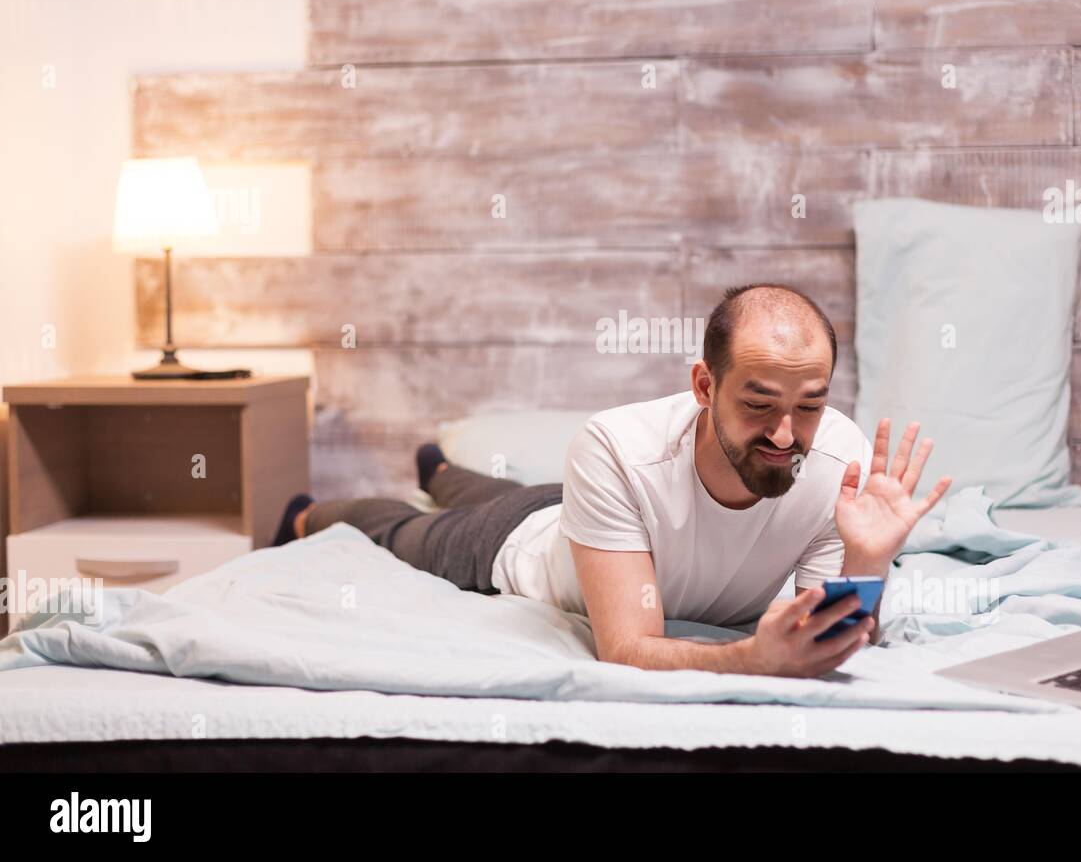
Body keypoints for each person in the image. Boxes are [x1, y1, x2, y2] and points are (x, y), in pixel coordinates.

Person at [272, 283, 951, 677]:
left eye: (809, 405)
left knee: (492, 486)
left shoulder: (840, 461)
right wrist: (750, 656)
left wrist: (867, 559)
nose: (784, 435)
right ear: (703, 386)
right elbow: (626, 647)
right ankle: (313, 512)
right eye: (758, 404)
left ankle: (443, 468)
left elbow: (828, 635)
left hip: (587, 519)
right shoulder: (614, 448)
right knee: (404, 530)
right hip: (515, 542)